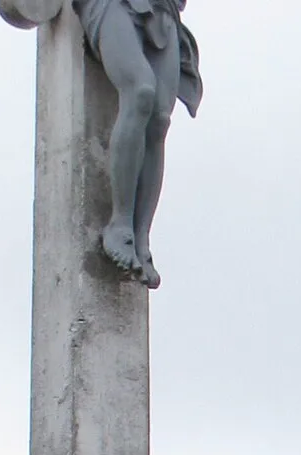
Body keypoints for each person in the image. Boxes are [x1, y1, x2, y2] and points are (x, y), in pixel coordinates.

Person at [78, 0, 201, 288]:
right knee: (141, 90)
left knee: (159, 119)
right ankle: (120, 224)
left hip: (163, 11)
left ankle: (141, 235)